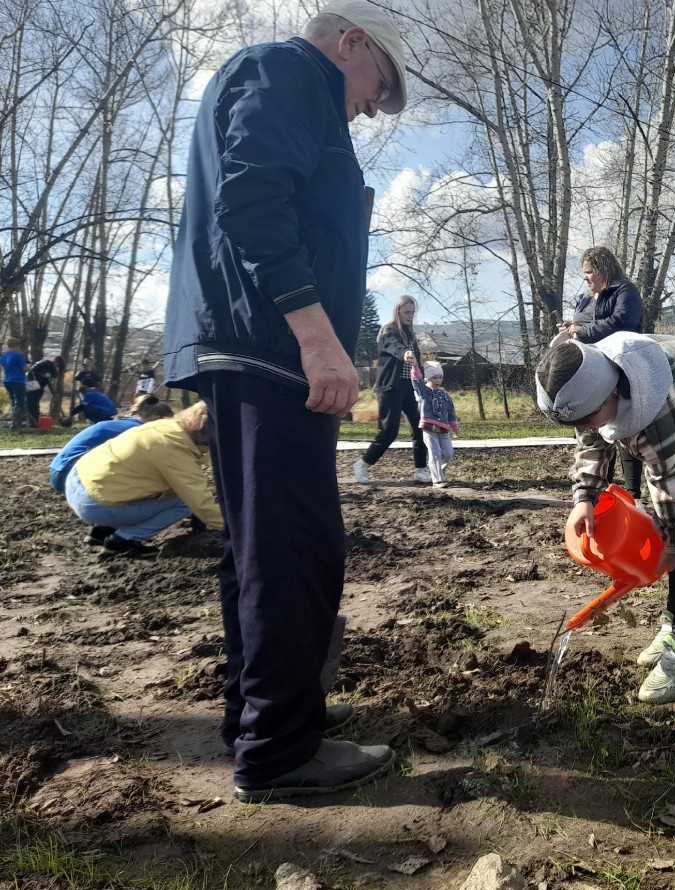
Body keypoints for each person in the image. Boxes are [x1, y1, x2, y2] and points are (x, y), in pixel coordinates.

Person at [162, 0, 407, 802]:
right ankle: (279, 751)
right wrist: (316, 335)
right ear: (351, 42)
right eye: (379, 86)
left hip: (250, 347)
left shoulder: (277, 81)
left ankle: (257, 722)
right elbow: (253, 205)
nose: (372, 107)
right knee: (296, 549)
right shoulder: (291, 74)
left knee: (262, 548)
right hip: (268, 350)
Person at [536, 333, 675, 704]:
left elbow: (669, 487)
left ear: (611, 394)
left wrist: (669, 545)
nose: (585, 427)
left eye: (589, 418)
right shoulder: (592, 384)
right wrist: (584, 497)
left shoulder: (655, 412)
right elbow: (592, 437)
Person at [65, 401, 222, 559]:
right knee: (185, 502)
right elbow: (203, 506)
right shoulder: (175, 449)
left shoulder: (165, 427)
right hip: (93, 503)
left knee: (152, 485)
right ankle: (122, 542)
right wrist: (242, 529)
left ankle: (104, 529)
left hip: (78, 481)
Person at [557, 247, 646, 498]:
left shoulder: (625, 291)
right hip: (591, 375)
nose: (585, 278)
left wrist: (581, 331)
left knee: (626, 429)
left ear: (602, 269)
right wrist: (568, 328)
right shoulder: (585, 299)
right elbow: (582, 324)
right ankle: (599, 492)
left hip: (620, 370)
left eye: (588, 272)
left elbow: (623, 322)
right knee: (592, 429)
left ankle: (633, 495)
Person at [354, 296, 430, 484]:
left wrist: (423, 381)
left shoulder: (411, 334)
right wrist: (405, 353)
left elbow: (416, 363)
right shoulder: (389, 331)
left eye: (413, 313)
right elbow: (394, 346)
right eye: (407, 312)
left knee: (419, 428)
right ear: (397, 311)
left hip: (408, 388)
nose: (410, 316)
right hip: (390, 387)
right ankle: (362, 464)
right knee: (389, 431)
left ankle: (420, 470)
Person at [50, 394, 175, 495]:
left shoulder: (124, 423)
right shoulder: (137, 431)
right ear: (155, 417)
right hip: (68, 475)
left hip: (58, 468)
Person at [405, 354, 458, 487]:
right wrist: (415, 366)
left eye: (440, 377)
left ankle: (439, 472)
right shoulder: (424, 392)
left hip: (443, 428)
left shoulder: (445, 394)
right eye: (434, 377)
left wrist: (455, 427)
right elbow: (416, 380)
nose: (438, 380)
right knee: (435, 453)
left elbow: (451, 412)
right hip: (428, 428)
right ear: (428, 378)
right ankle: (437, 480)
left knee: (448, 453)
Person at [25, 356, 63, 423]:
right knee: (31, 404)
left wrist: (53, 392)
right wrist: (43, 375)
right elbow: (32, 371)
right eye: (56, 363)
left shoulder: (53, 370)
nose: (56, 365)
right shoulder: (43, 363)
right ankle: (31, 421)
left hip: (39, 388)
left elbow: (50, 382)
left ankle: (35, 421)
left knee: (35, 404)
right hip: (32, 386)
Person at [2, 338, 30, 429]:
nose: (19, 348)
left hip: (7, 380)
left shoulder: (3, 356)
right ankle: (16, 423)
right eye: (18, 346)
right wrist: (30, 367)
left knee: (13, 401)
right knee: (20, 403)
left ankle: (14, 423)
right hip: (18, 380)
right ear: (16, 346)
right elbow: (25, 369)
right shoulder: (18, 356)